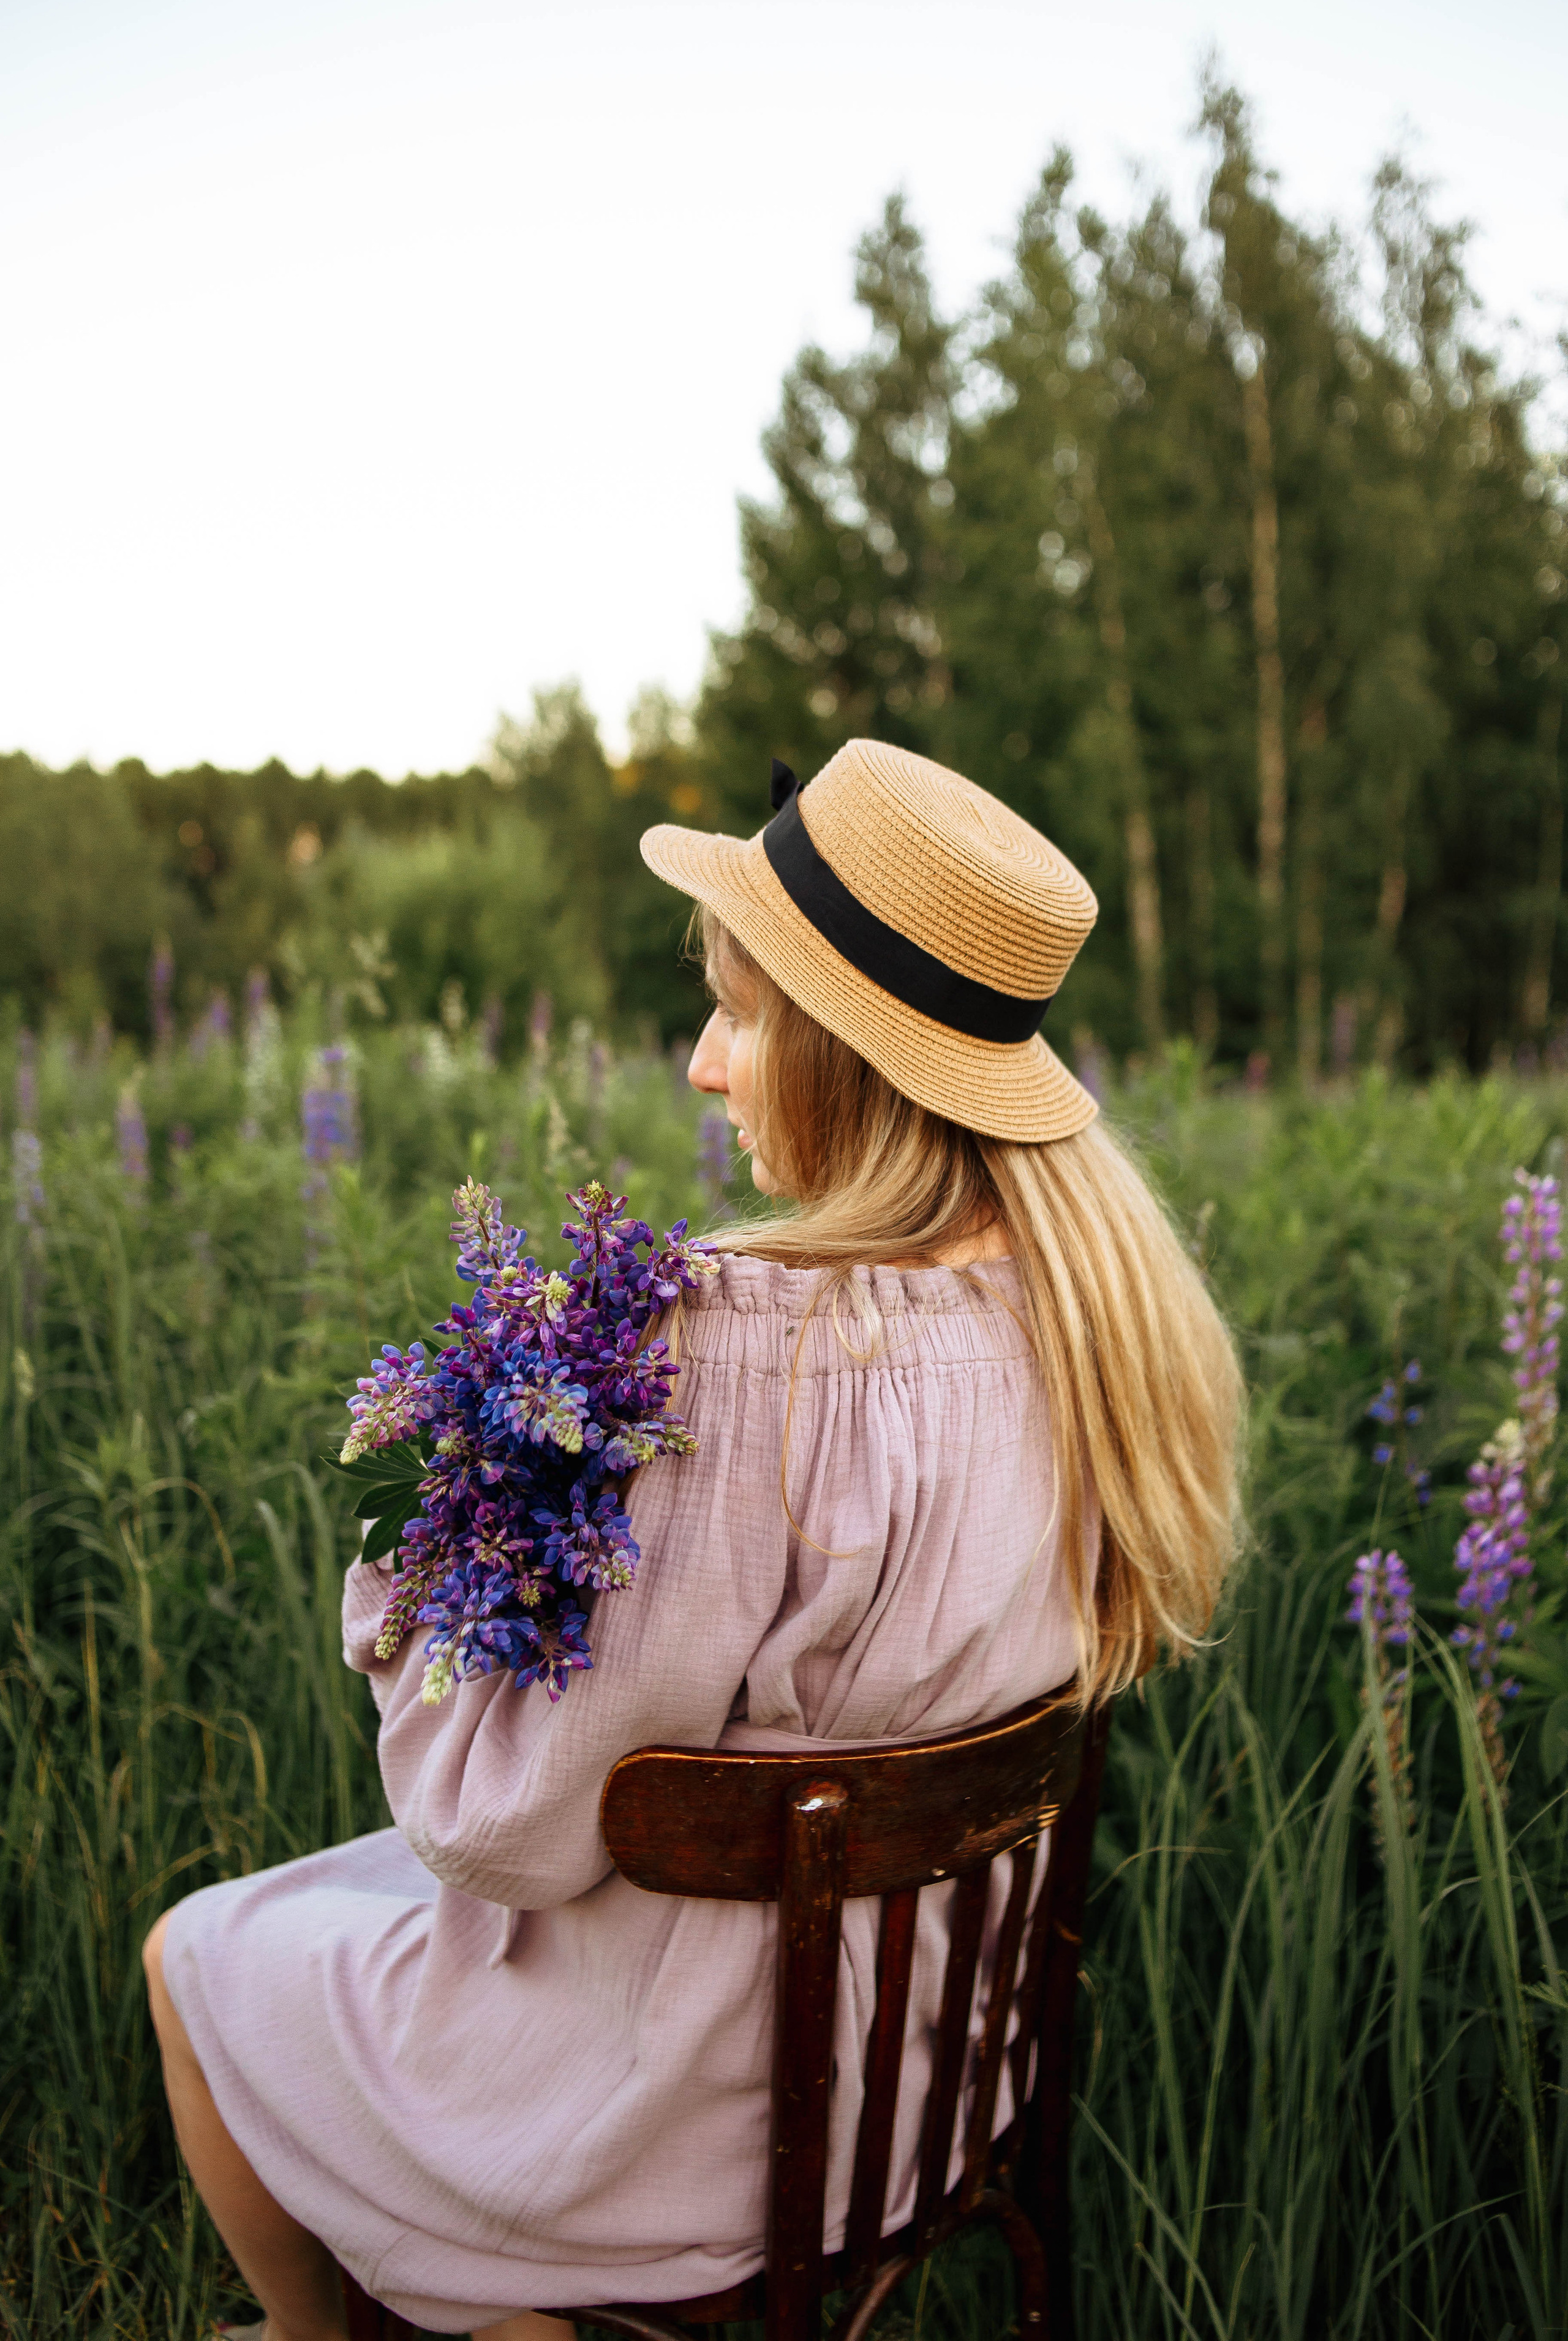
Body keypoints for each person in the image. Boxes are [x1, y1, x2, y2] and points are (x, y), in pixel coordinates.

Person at [144, 737, 1242, 2341]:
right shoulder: (1092, 1326)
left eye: (741, 1015)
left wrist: (418, 1605)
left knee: (199, 1954)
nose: (705, 1067)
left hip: (686, 2121)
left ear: (843, 1058)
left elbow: (513, 1832)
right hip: (922, 2091)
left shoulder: (740, 1358)